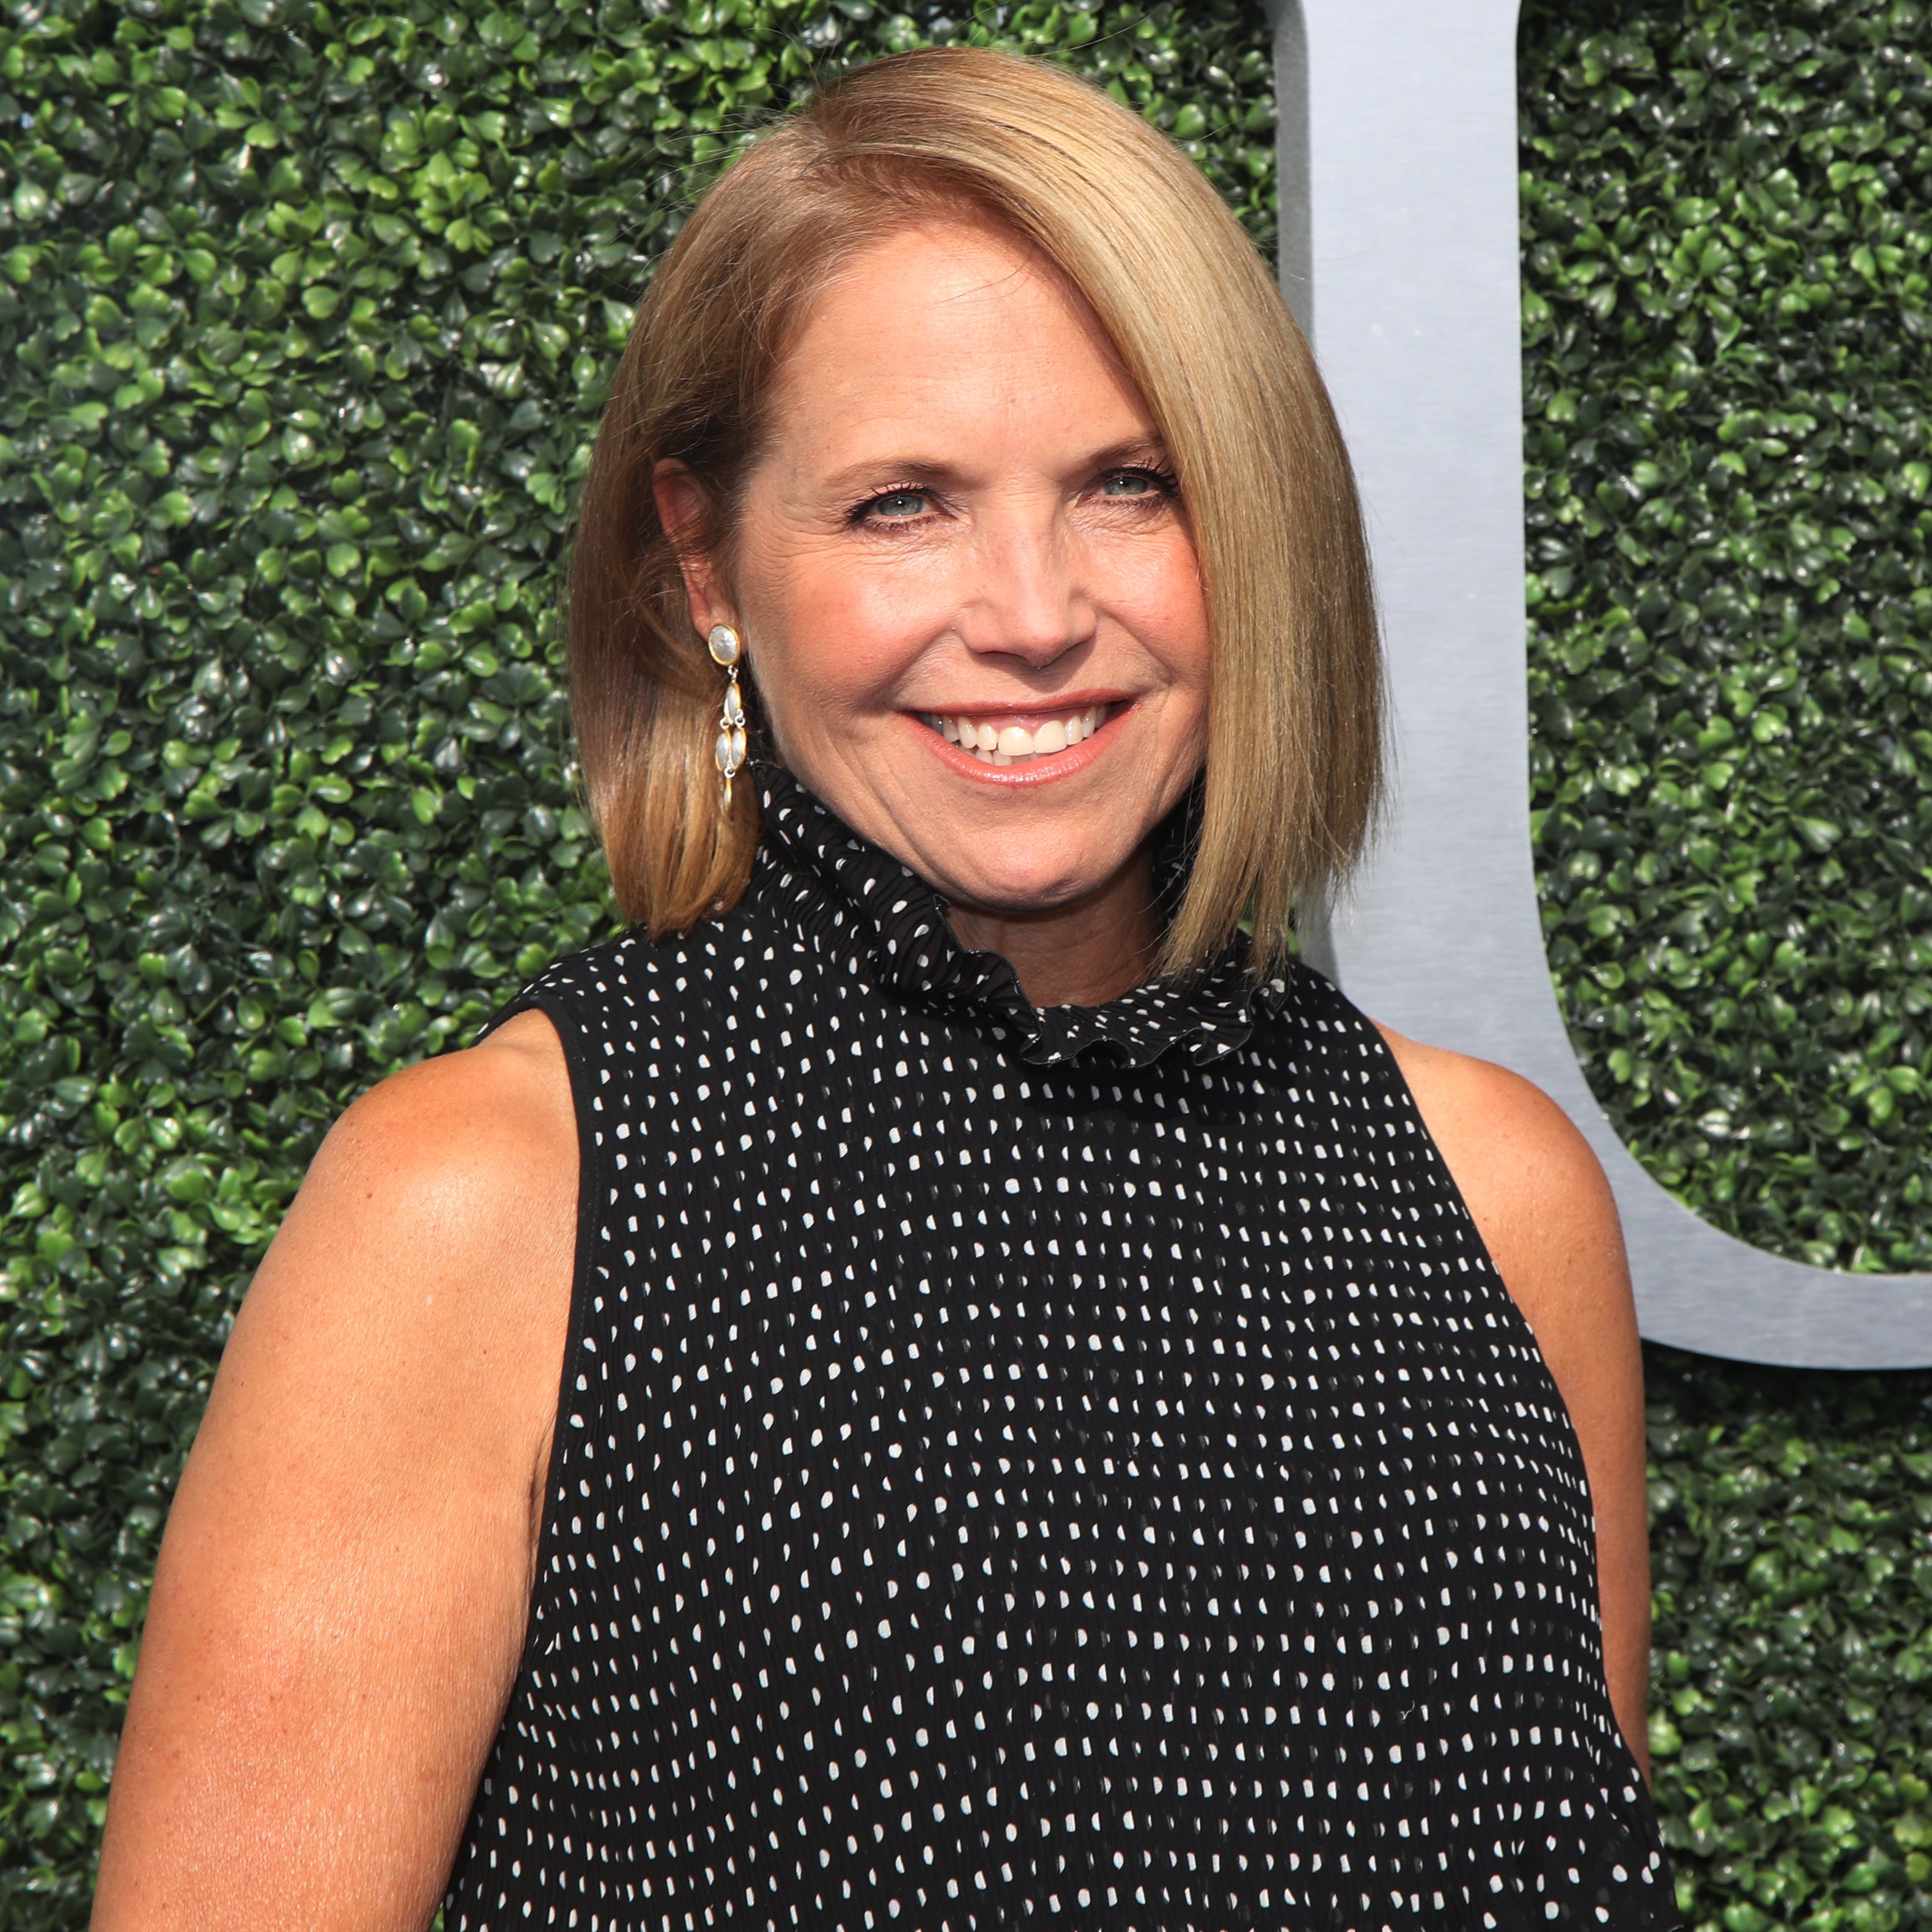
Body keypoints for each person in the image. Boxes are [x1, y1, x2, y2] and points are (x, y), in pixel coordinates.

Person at [92, 45, 1674, 1932]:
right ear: (706, 563)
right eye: (902, 504)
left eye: (1130, 484)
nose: (1027, 608)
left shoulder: (1488, 1193)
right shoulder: (493, 1202)